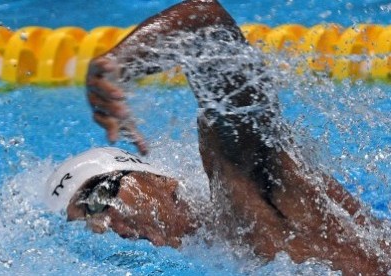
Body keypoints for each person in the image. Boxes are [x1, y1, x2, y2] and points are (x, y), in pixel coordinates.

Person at [48, 0, 391, 274]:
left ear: (153, 177)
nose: (105, 223)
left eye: (99, 197)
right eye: (89, 220)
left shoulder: (241, 189)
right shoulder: (218, 252)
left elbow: (206, 23)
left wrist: (120, 62)